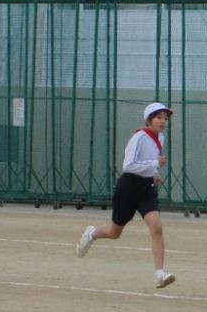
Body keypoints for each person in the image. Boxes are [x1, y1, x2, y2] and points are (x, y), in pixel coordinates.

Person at [76, 101, 177, 289]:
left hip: (146, 188)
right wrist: (154, 163)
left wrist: (154, 175)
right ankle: (92, 234)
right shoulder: (139, 137)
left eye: (165, 118)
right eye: (159, 117)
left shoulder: (160, 138)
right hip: (128, 187)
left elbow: (147, 164)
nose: (163, 121)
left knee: (156, 228)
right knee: (114, 232)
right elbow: (128, 165)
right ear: (149, 120)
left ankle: (159, 273)